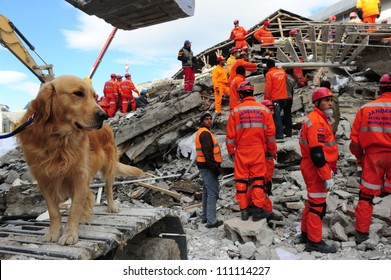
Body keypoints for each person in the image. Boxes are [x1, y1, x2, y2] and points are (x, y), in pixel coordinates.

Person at [226, 81, 277, 222]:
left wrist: (231, 152)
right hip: (258, 151)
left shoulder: (235, 111)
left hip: (241, 151)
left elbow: (230, 136)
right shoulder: (264, 110)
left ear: (241, 94)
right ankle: (257, 210)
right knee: (258, 181)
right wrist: (271, 151)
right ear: (252, 93)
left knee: (241, 181)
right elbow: (271, 135)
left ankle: (243, 210)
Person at [349, 72, 391, 244]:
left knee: (366, 196)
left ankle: (362, 233)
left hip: (373, 158)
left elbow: (355, 142)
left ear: (379, 88)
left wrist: (359, 158)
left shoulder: (365, 109)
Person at [298, 87, 338, 254]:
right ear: (317, 102)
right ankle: (314, 241)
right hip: (316, 168)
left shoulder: (318, 119)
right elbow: (317, 153)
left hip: (312, 166)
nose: (330, 102)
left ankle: (305, 233)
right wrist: (326, 175)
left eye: (331, 100)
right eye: (326, 100)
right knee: (317, 205)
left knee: (312, 201)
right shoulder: (317, 122)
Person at [196, 111, 223, 228]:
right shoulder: (205, 134)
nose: (209, 121)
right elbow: (208, 154)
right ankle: (211, 221)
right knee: (213, 193)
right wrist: (215, 168)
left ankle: (205, 217)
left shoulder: (202, 132)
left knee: (207, 191)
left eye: (210, 119)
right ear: (202, 121)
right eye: (207, 119)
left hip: (203, 166)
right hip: (208, 167)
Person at [264, 59, 291, 139]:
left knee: (276, 116)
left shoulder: (269, 74)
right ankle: (284, 132)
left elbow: (268, 87)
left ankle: (279, 135)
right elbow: (286, 77)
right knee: (280, 115)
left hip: (276, 98)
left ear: (267, 67)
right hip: (284, 98)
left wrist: (266, 98)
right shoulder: (282, 72)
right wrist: (281, 69)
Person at [261, 99, 277, 196]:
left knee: (267, 176)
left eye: (272, 110)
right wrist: (272, 150)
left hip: (267, 153)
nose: (272, 112)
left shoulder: (268, 121)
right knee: (265, 178)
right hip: (265, 153)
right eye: (269, 110)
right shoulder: (265, 123)